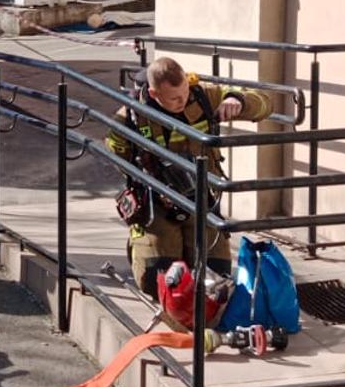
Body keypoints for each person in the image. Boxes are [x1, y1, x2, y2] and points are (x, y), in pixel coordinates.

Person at [105, 56, 274, 299]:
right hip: (157, 201)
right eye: (174, 98)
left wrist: (237, 100)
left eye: (184, 92)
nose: (182, 101)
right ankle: (143, 250)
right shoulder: (134, 112)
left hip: (202, 198)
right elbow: (113, 145)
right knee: (157, 281)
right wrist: (140, 178)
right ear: (153, 94)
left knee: (216, 278)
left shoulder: (203, 95)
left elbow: (265, 103)